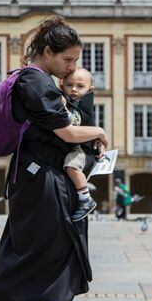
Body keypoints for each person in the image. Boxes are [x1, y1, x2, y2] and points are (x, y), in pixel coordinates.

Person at [0, 16, 108, 301]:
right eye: (68, 60)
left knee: (49, 246)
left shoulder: (38, 80)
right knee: (51, 247)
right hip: (38, 177)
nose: (72, 68)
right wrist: (99, 132)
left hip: (38, 175)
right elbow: (67, 132)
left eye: (76, 61)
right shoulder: (36, 82)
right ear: (47, 51)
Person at [62, 68, 97, 221]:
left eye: (80, 86)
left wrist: (62, 108)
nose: (74, 89)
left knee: (72, 166)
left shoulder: (85, 105)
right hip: (73, 145)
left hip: (81, 149)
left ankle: (85, 197)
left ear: (90, 89)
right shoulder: (69, 100)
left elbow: (75, 122)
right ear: (61, 85)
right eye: (69, 85)